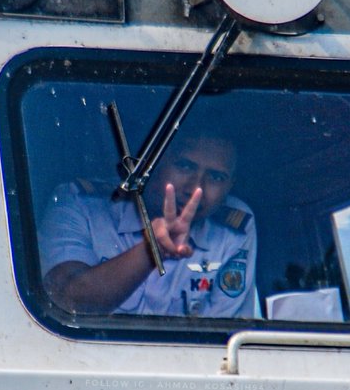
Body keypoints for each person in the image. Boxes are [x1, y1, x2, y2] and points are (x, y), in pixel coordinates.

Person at [38, 132, 256, 317]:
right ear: (152, 164)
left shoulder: (234, 229)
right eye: (185, 166)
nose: (195, 189)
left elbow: (221, 339)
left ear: (230, 185)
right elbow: (68, 302)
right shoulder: (83, 204)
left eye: (216, 177)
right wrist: (152, 249)